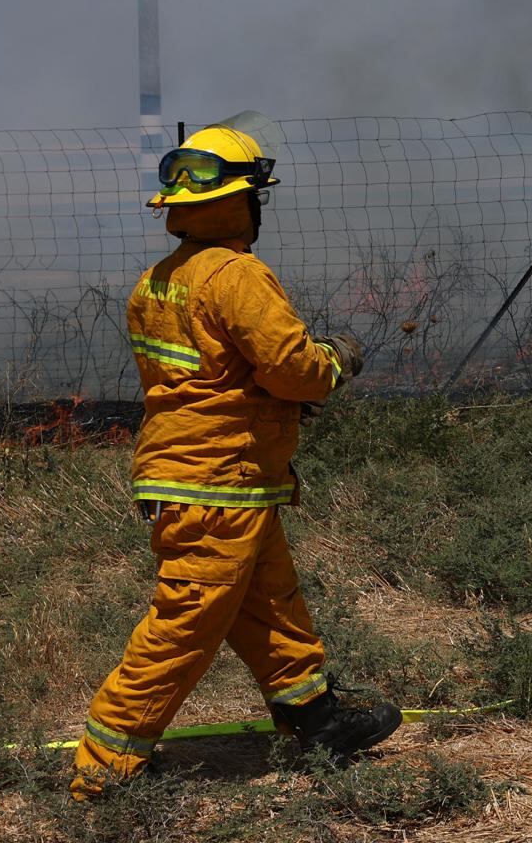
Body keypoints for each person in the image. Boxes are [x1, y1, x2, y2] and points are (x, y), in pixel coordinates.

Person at [71, 112, 401, 799]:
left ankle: (316, 721)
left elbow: (211, 377)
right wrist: (334, 363)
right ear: (243, 202)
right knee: (184, 626)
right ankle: (104, 772)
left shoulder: (157, 282)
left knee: (273, 608)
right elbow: (290, 369)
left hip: (226, 480)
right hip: (217, 483)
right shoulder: (238, 276)